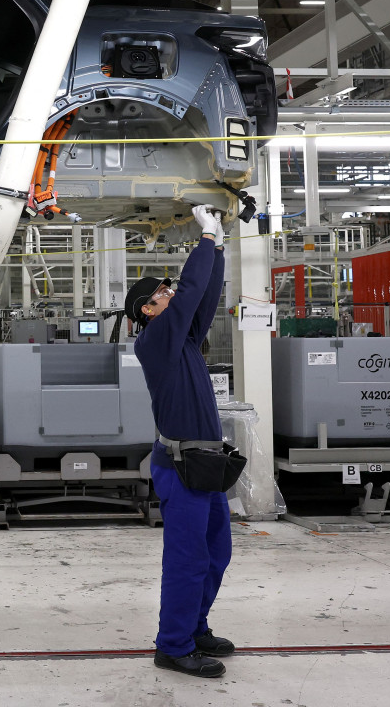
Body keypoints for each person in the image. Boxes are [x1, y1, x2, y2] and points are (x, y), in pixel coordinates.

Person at [125, 205, 233, 679]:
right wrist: (203, 239)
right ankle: (172, 646)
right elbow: (189, 292)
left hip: (206, 462)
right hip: (181, 466)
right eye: (162, 294)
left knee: (216, 552)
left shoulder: (183, 338)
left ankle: (195, 626)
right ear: (148, 310)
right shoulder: (155, 339)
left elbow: (202, 297)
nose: (170, 296)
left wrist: (220, 248)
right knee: (188, 559)